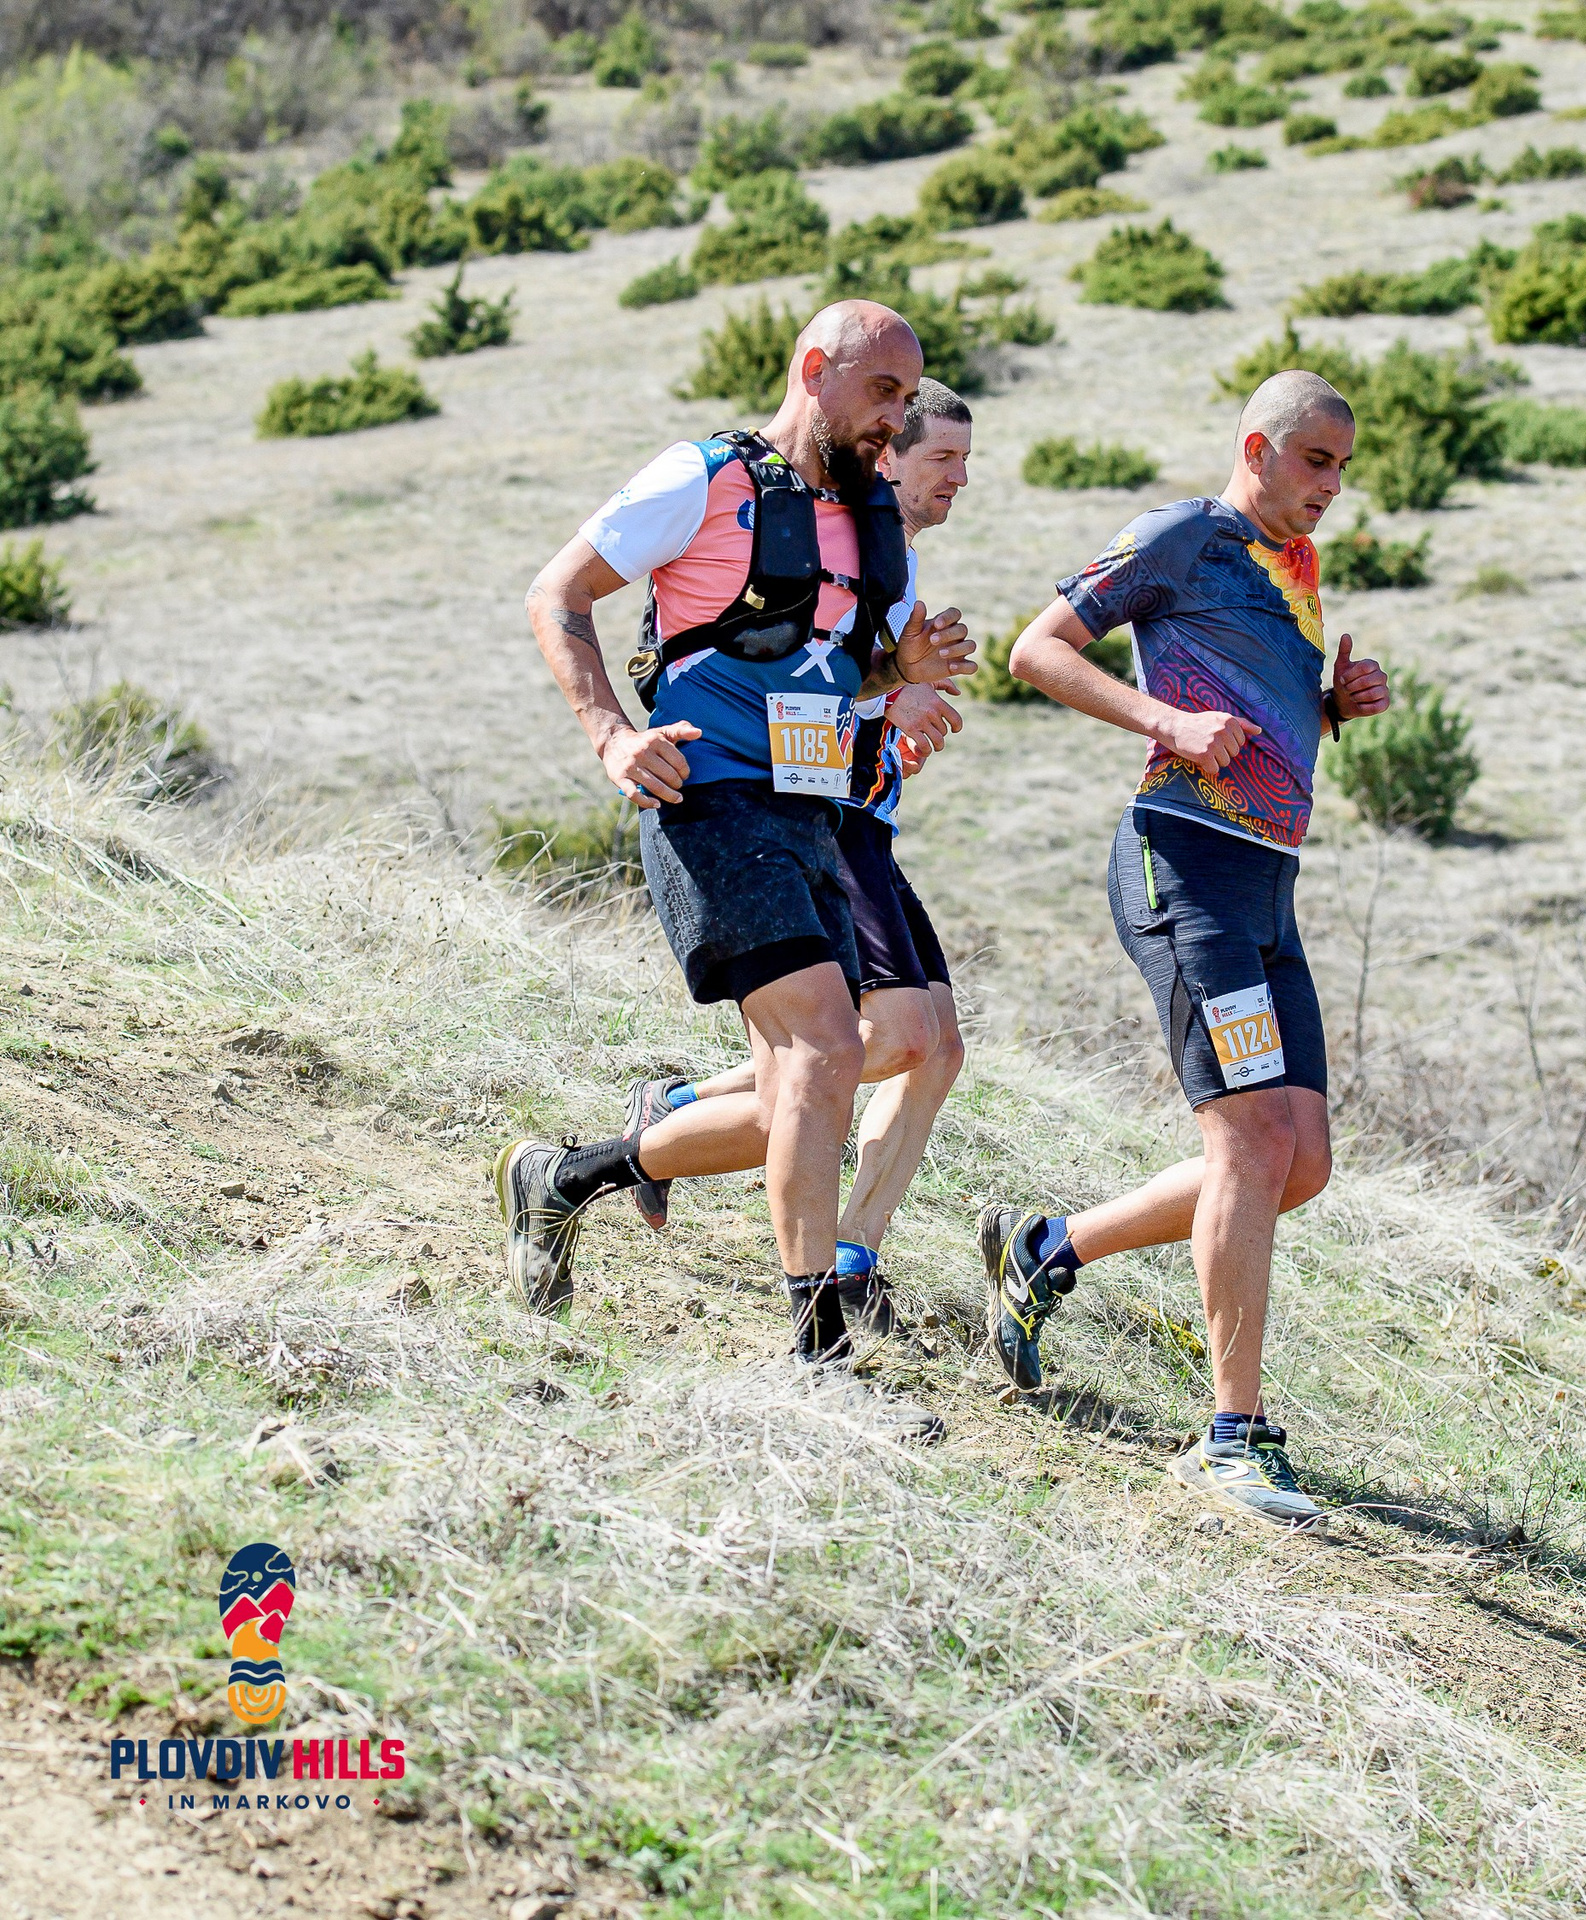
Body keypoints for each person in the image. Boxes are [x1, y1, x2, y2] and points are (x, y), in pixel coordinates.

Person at [501, 301, 973, 1366]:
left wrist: (900, 675)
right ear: (814, 368)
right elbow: (557, 592)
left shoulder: (866, 518)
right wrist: (609, 737)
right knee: (822, 1046)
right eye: (883, 392)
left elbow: (827, 667)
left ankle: (565, 1177)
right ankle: (819, 1350)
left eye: (909, 397)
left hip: (815, 810)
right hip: (705, 798)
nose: (895, 419)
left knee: (816, 1078)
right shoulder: (707, 476)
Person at [985, 370, 1392, 1527]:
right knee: (1253, 1141)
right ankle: (1230, 1435)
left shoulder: (1295, 567)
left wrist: (1332, 705)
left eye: (1341, 470)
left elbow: (1265, 712)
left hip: (1267, 884)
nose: (1330, 488)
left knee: (1295, 1164)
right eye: (1314, 462)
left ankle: (1050, 1247)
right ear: (1257, 447)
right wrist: (1161, 721)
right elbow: (1036, 649)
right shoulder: (1181, 535)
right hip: (1181, 865)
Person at [617, 379, 977, 1329]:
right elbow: (787, 683)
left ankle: (845, 1253)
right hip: (786, 810)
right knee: (865, 1046)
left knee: (930, 1046)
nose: (961, 481)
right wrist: (884, 698)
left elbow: (841, 686)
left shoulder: (883, 565)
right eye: (940, 457)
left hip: (847, 815)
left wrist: (894, 691)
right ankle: (821, 1281)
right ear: (886, 453)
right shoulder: (785, 514)